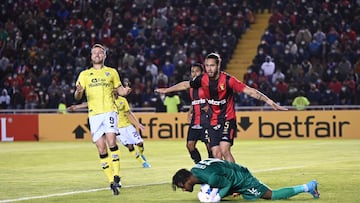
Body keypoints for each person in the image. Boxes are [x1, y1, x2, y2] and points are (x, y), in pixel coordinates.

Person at [155, 53, 287, 163]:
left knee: (224, 150)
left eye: (212, 65)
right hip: (212, 120)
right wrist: (167, 90)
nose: (209, 69)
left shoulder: (229, 80)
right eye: (207, 66)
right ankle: (223, 182)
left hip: (227, 119)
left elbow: (250, 91)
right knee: (216, 153)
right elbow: (185, 85)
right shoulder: (203, 79)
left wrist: (270, 102)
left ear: (218, 65)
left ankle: (237, 181)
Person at [73, 43, 131, 195]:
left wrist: (125, 91)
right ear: (91, 57)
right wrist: (79, 92)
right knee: (101, 148)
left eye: (100, 52)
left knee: (111, 141)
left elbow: (120, 91)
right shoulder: (84, 75)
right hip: (94, 115)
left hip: (109, 111)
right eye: (94, 53)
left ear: (105, 56)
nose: (97, 55)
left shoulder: (111, 72)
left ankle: (117, 176)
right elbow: (77, 96)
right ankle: (111, 181)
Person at [172, 158, 320, 202]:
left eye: (182, 186)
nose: (184, 189)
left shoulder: (211, 178)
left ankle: (308, 187)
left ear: (186, 180)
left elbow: (226, 183)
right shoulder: (196, 169)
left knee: (271, 195)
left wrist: (217, 197)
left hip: (243, 179)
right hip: (234, 173)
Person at [68, 92, 151, 168]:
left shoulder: (123, 100)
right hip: (117, 128)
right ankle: (143, 162)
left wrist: (138, 124)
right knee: (129, 146)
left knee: (140, 143)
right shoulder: (106, 100)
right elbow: (90, 103)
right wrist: (77, 106)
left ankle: (141, 154)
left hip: (128, 126)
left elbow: (129, 113)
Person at [187, 63, 212, 163]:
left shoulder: (207, 84)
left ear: (202, 73)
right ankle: (198, 164)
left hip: (206, 120)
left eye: (196, 71)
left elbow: (216, 98)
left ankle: (212, 165)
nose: (194, 73)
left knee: (210, 146)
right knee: (190, 145)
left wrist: (209, 106)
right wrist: (190, 111)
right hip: (195, 120)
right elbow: (194, 101)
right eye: (192, 71)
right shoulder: (191, 87)